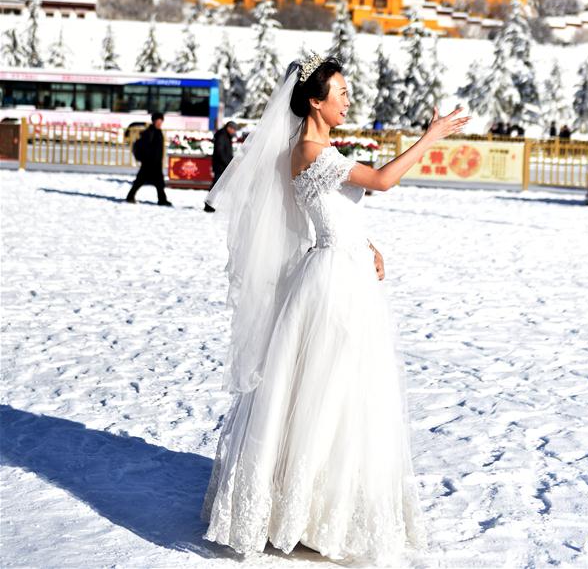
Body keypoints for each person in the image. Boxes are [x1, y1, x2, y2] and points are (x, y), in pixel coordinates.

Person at [199, 54, 470, 563]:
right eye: (341, 93)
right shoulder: (309, 149)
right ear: (316, 102)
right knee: (325, 393)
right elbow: (383, 181)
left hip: (346, 271)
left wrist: (366, 245)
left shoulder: (321, 148)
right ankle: (301, 509)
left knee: (343, 394)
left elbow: (335, 211)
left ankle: (323, 505)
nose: (349, 100)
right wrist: (431, 137)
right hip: (331, 284)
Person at [125, 111, 172, 206]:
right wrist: (148, 159)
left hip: (156, 162)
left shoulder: (158, 132)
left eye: (161, 121)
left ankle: (162, 199)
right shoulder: (149, 132)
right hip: (149, 162)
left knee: (159, 182)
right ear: (154, 121)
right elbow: (146, 147)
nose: (159, 123)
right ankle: (130, 197)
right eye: (158, 121)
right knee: (140, 181)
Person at [204, 121, 237, 213]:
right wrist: (228, 163)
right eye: (233, 129)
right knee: (216, 185)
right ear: (229, 128)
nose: (234, 132)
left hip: (223, 165)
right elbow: (220, 152)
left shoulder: (225, 136)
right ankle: (208, 204)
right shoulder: (222, 136)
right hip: (221, 165)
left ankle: (209, 203)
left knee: (218, 185)